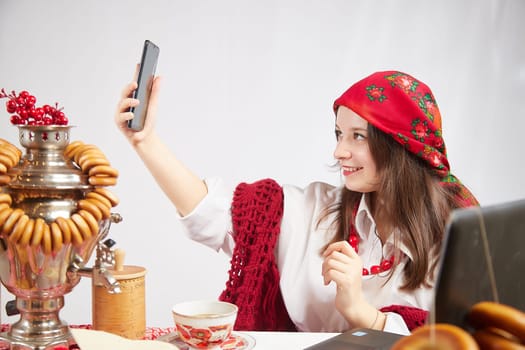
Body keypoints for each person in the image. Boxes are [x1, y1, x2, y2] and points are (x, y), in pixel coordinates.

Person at [114, 70, 478, 335]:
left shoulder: (455, 237)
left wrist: (359, 311)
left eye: (357, 136)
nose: (339, 151)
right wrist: (145, 143)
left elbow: (452, 339)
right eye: (338, 134)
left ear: (401, 147)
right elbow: (211, 214)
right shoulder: (315, 211)